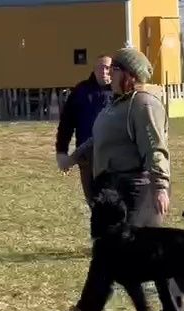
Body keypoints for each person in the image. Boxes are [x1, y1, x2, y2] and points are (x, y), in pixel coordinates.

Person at [43, 47, 184, 311]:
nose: (109, 74)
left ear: (129, 76)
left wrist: (160, 187)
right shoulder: (119, 103)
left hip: (139, 189)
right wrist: (74, 157)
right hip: (116, 187)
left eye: (116, 70)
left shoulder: (144, 105)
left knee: (110, 254)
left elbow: (156, 149)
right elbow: (100, 137)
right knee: (154, 255)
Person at [55, 54, 114, 203]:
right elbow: (66, 123)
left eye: (107, 68)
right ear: (94, 70)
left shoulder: (118, 93)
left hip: (112, 158)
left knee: (111, 202)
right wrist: (61, 151)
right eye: (100, 67)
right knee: (93, 201)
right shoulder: (81, 91)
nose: (103, 71)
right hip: (86, 156)